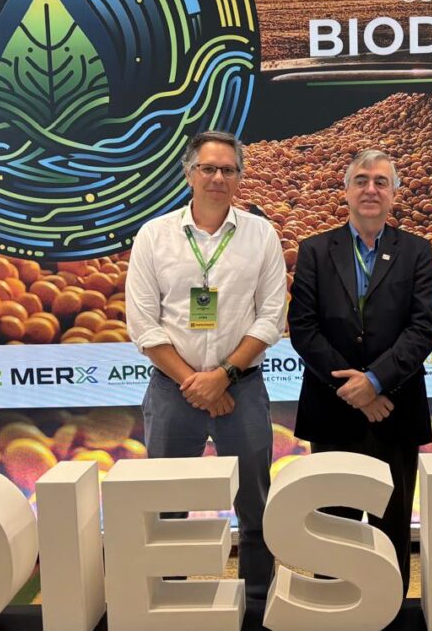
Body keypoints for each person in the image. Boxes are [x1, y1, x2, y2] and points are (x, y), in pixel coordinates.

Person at [126, 130, 287, 600]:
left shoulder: (261, 234)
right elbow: (143, 324)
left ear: (239, 177)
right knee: (167, 505)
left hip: (242, 389)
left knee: (255, 506)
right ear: (189, 173)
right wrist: (196, 384)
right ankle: (166, 598)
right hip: (172, 391)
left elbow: (271, 317)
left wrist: (223, 377)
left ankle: (257, 600)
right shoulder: (154, 235)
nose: (218, 177)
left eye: (228, 170)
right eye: (208, 168)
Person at [288, 149, 432, 597]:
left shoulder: (416, 251)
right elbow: (304, 328)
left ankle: (390, 613)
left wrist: (374, 382)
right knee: (333, 528)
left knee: (392, 527)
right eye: (361, 180)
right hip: (332, 410)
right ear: (347, 190)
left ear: (394, 193)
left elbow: (423, 329)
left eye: (380, 181)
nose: (370, 189)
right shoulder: (315, 249)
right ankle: (335, 613)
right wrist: (354, 387)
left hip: (396, 409)